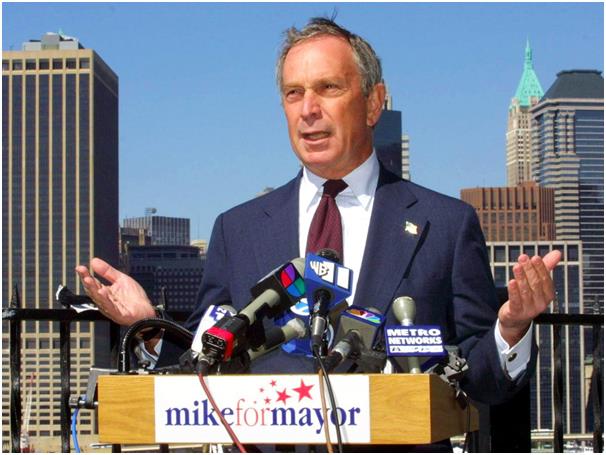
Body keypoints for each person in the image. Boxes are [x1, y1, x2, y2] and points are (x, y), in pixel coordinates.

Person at [77, 17, 561, 450]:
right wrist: (149, 326)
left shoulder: (446, 224)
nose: (308, 108)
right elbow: (209, 356)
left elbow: (481, 378)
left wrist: (510, 329)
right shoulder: (237, 229)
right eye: (294, 93)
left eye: (328, 88)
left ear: (373, 102)